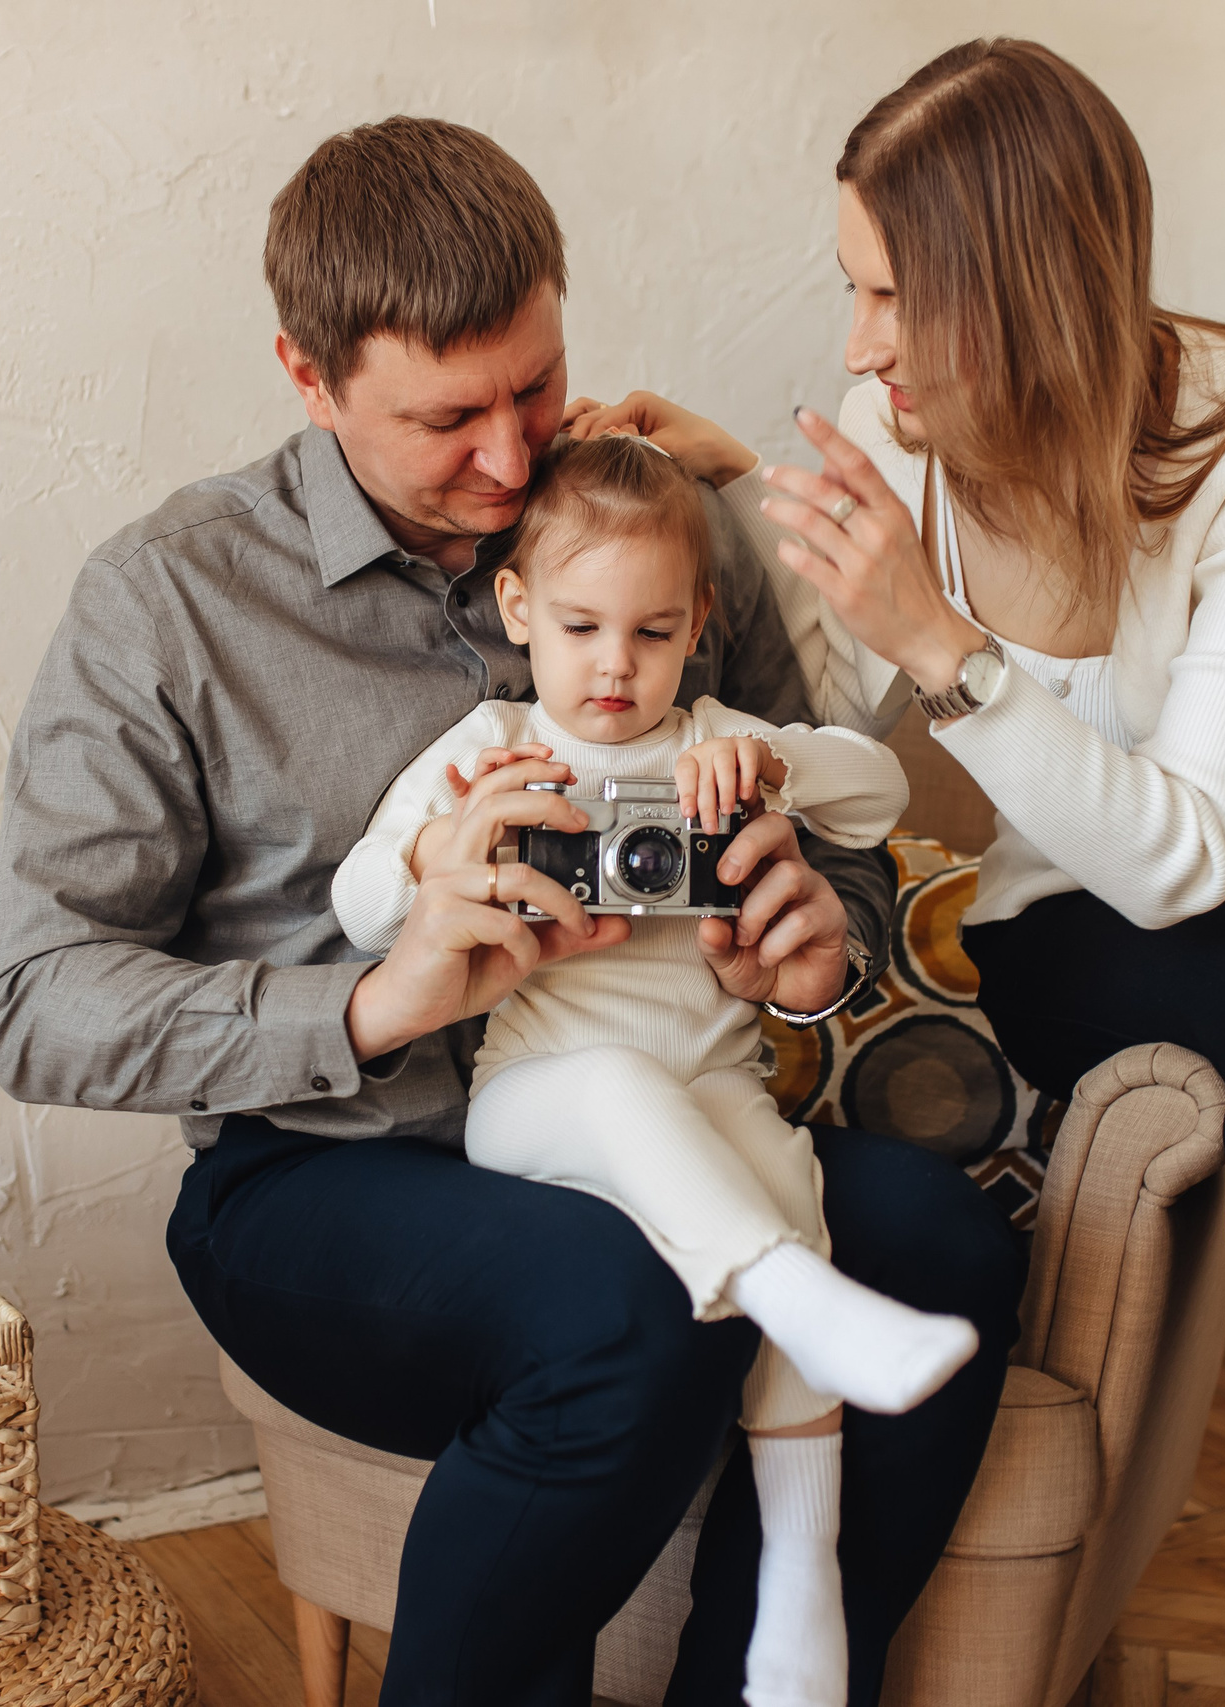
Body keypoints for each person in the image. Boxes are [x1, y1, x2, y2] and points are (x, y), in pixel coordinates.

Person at [0, 115, 1025, 1707]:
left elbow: (830, 825)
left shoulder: (659, 526)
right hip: (326, 1172)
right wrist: (376, 997)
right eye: (447, 418)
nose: (514, 460)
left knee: (940, 1241)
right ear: (309, 377)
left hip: (674, 1090)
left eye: (534, 387)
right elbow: (33, 997)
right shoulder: (170, 599)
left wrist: (816, 946)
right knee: (617, 1312)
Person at [569, 38, 1225, 1707]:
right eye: (854, 288)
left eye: (893, 297)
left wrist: (949, 646)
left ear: (1018, 285)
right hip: (1083, 908)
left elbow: (1192, 837)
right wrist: (739, 495)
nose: (862, 344)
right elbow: (872, 723)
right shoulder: (910, 427)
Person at [335, 432, 976, 1707]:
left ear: (700, 626)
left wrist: (775, 765)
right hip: (542, 1096)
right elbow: (356, 906)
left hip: (713, 1087)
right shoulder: (492, 744)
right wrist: (437, 854)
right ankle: (803, 1301)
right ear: (518, 608)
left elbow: (879, 790)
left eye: (654, 632)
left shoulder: (717, 740)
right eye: (580, 627)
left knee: (779, 1176)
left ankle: (799, 1589)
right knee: (640, 1106)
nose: (615, 667)